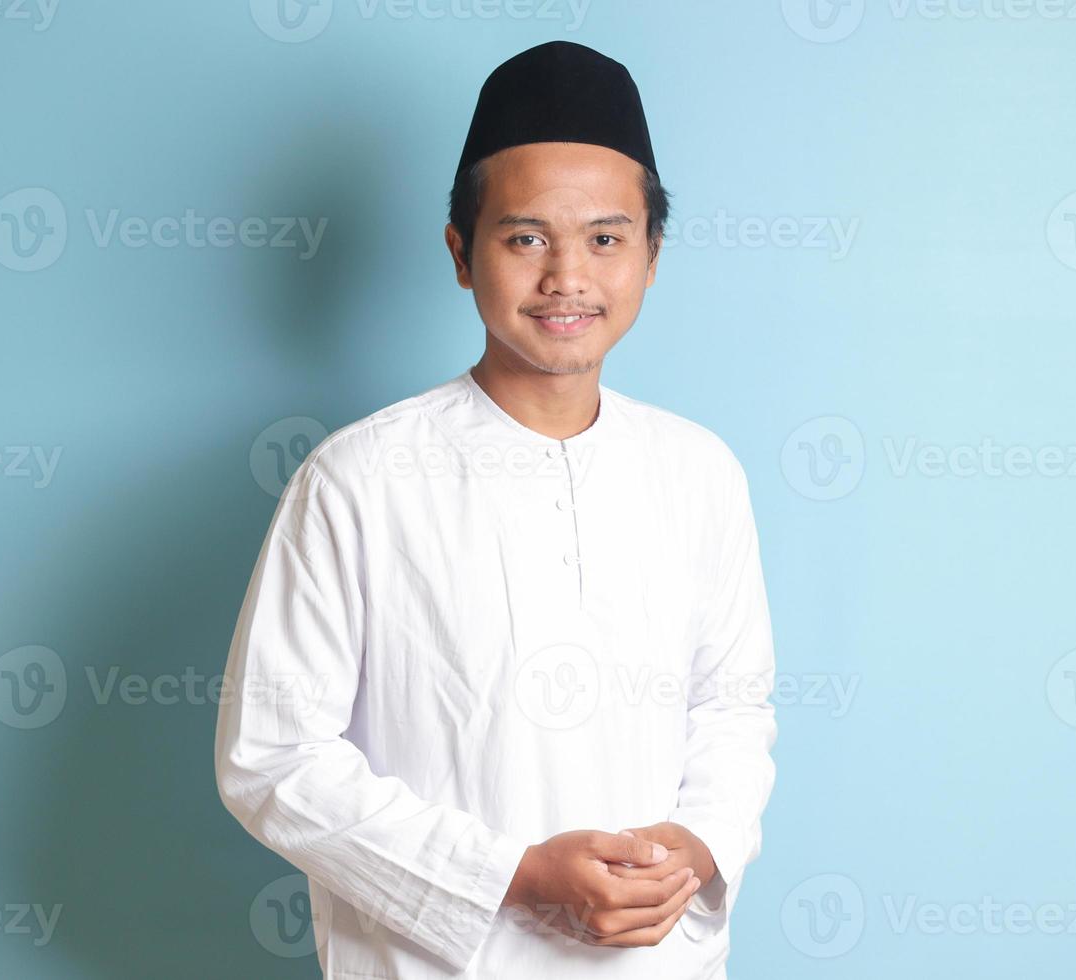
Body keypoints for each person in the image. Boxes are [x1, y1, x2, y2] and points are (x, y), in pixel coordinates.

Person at [214, 40, 777, 979]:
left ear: (651, 255)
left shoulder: (700, 471)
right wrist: (509, 876)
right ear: (461, 254)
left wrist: (696, 846)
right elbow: (273, 756)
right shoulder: (357, 480)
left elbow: (732, 703)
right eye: (525, 238)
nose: (568, 277)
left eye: (605, 238)